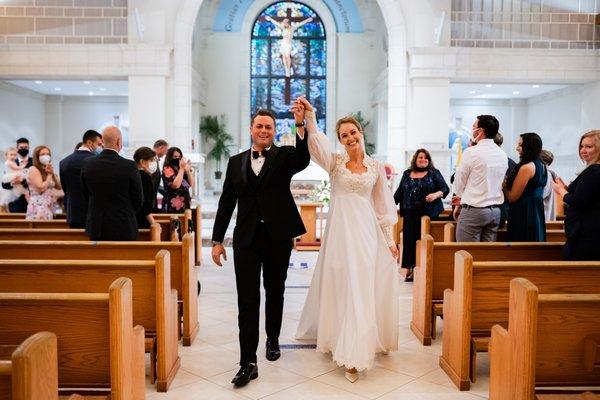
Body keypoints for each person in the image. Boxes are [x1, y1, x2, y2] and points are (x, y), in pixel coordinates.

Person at [293, 97, 400, 383]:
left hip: (366, 233)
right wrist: (309, 118)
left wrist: (390, 240)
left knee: (361, 285)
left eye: (353, 132)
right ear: (340, 140)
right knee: (343, 284)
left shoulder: (376, 167)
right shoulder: (334, 162)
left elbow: (382, 207)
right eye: (344, 135)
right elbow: (315, 144)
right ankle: (340, 339)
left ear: (361, 133)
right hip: (340, 235)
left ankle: (356, 353)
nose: (349, 138)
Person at [211, 108, 310, 388]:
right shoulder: (235, 162)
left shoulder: (285, 156)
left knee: (275, 290)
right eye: (259, 126)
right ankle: (247, 361)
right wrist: (217, 241)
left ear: (274, 130)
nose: (263, 130)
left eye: (268, 126)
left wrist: (300, 123)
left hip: (278, 237)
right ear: (251, 129)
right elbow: (226, 203)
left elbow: (304, 157)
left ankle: (273, 338)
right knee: (247, 299)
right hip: (246, 239)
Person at [394, 149, 449, 281]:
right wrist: (388, 205)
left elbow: (445, 188)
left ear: (429, 160)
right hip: (409, 213)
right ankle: (410, 269)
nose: (423, 160)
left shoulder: (434, 173)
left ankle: (423, 268)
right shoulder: (407, 174)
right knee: (409, 242)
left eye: (425, 158)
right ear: (415, 159)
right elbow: (399, 192)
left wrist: (435, 194)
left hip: (427, 215)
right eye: (420, 157)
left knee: (422, 242)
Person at [81, 126, 143, 241]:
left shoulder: (87, 164)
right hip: (123, 225)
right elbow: (138, 199)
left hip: (96, 226)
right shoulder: (129, 166)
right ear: (119, 141)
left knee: (99, 259)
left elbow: (85, 194)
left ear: (102, 142)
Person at [453, 115, 508, 242]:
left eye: (474, 126)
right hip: (495, 211)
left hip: (474, 210)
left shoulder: (471, 152)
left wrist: (458, 203)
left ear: (480, 131)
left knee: (467, 253)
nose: (472, 128)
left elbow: (459, 181)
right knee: (486, 255)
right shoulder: (502, 154)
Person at [554, 130, 600, 260]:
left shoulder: (594, 170)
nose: (583, 150)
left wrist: (561, 191)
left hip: (586, 234)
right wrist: (567, 189)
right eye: (582, 146)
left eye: (589, 147)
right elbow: (589, 196)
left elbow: (578, 202)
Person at [504, 133, 547, 242]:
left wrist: (504, 185)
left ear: (529, 146)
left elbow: (512, 197)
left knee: (521, 246)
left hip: (524, 212)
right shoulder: (542, 165)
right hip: (536, 210)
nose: (517, 148)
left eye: (520, 145)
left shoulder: (527, 168)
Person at [59, 130, 102, 228]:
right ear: (90, 143)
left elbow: (65, 188)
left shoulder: (64, 162)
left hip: (73, 212)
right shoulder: (96, 161)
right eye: (99, 144)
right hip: (92, 212)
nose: (100, 147)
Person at [25, 145, 61, 220]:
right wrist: (49, 175)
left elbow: (58, 186)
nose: (46, 156)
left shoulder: (47, 170)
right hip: (38, 206)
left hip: (48, 205)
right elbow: (41, 188)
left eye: (48, 154)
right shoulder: (33, 169)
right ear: (36, 157)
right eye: (42, 154)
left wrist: (52, 173)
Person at [1, 138, 33, 212]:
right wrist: (12, 183)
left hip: (31, 201)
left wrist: (22, 182)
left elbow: (37, 180)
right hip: (15, 202)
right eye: (21, 148)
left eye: (26, 148)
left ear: (28, 148)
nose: (23, 149)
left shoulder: (34, 162)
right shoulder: (11, 162)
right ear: (17, 149)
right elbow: (4, 184)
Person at [162, 147, 194, 213]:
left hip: (185, 203)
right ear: (169, 157)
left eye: (179, 156)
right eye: (175, 156)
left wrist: (188, 171)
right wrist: (182, 169)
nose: (177, 158)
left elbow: (191, 184)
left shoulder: (180, 169)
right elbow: (176, 185)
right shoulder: (167, 169)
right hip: (172, 204)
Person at [133, 146, 157, 229]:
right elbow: (145, 204)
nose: (154, 163)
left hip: (133, 219)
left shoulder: (132, 174)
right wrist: (153, 223)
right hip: (142, 220)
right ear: (142, 162)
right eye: (151, 160)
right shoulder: (144, 176)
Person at [540, 149, 557, 221]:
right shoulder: (547, 173)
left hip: (544, 214)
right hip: (546, 213)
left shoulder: (546, 174)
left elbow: (543, 194)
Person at [152, 139, 169, 212]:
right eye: (166, 150)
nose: (166, 153)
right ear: (161, 148)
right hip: (150, 194)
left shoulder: (155, 158)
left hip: (154, 193)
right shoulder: (151, 158)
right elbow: (152, 179)